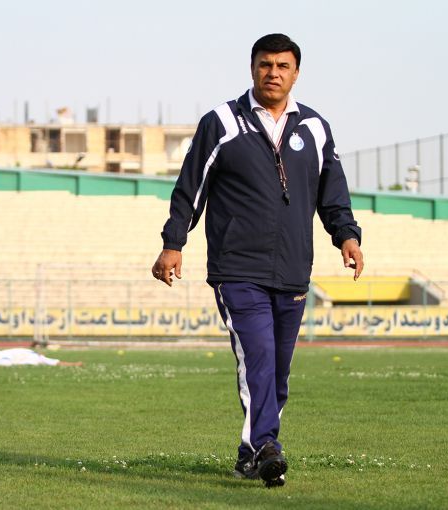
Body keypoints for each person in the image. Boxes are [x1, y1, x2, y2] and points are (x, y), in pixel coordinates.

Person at [151, 34, 363, 487]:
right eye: (265, 64)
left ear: (296, 73)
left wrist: (346, 235)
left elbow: (333, 192)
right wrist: (174, 242)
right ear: (252, 69)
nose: (273, 73)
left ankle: (250, 456)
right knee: (259, 358)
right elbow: (190, 187)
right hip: (237, 269)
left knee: (277, 372)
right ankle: (268, 446)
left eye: (283, 66)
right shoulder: (222, 122)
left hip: (293, 270)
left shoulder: (315, 128)